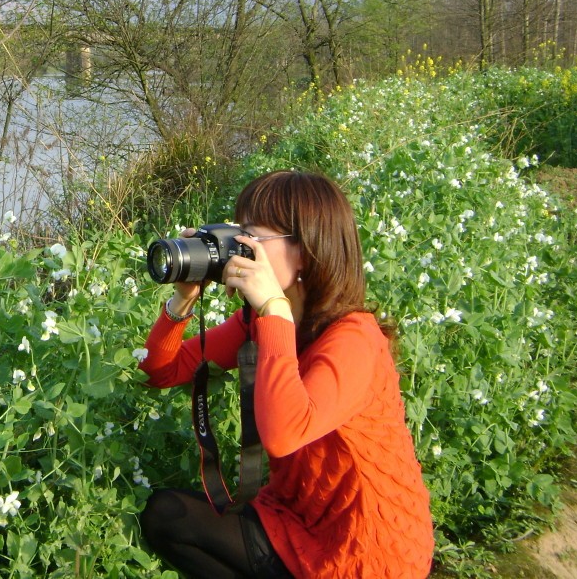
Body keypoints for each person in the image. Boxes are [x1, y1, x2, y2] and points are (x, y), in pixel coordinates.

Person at [138, 169, 434, 578]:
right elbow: (161, 371)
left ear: (306, 252)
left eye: (254, 237)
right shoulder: (260, 323)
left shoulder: (354, 340)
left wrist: (274, 310)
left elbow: (282, 434)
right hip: (297, 516)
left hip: (366, 549)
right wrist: (182, 300)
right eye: (240, 234)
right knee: (167, 516)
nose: (242, 248)